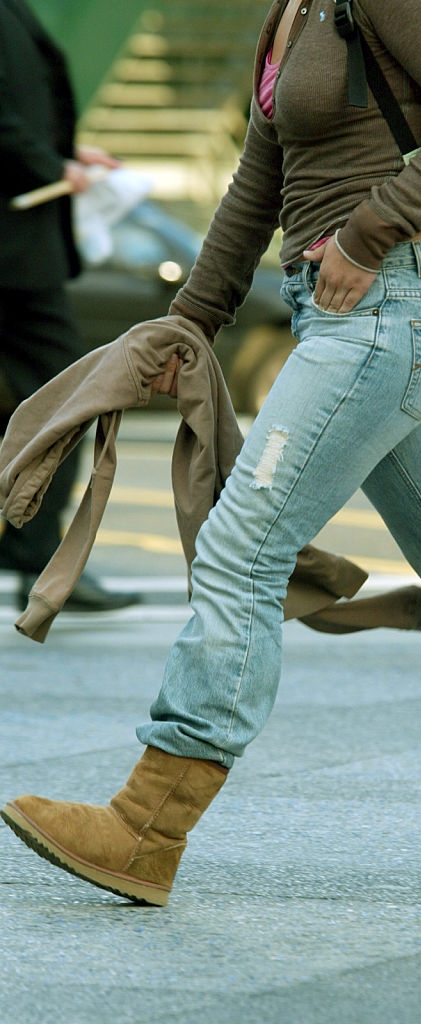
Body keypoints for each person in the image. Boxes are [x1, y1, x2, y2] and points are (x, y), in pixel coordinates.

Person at [0, 0, 421, 905]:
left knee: (241, 550)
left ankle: (146, 826)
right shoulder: (293, 9)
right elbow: (258, 179)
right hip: (349, 312)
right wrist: (189, 319)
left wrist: (367, 232)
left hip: (387, 304)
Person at [0, 0, 140, 612]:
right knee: (67, 396)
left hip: (21, 253)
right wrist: (48, 163)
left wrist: (68, 156)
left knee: (51, 401)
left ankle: (37, 556)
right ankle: (36, 557)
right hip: (14, 254)